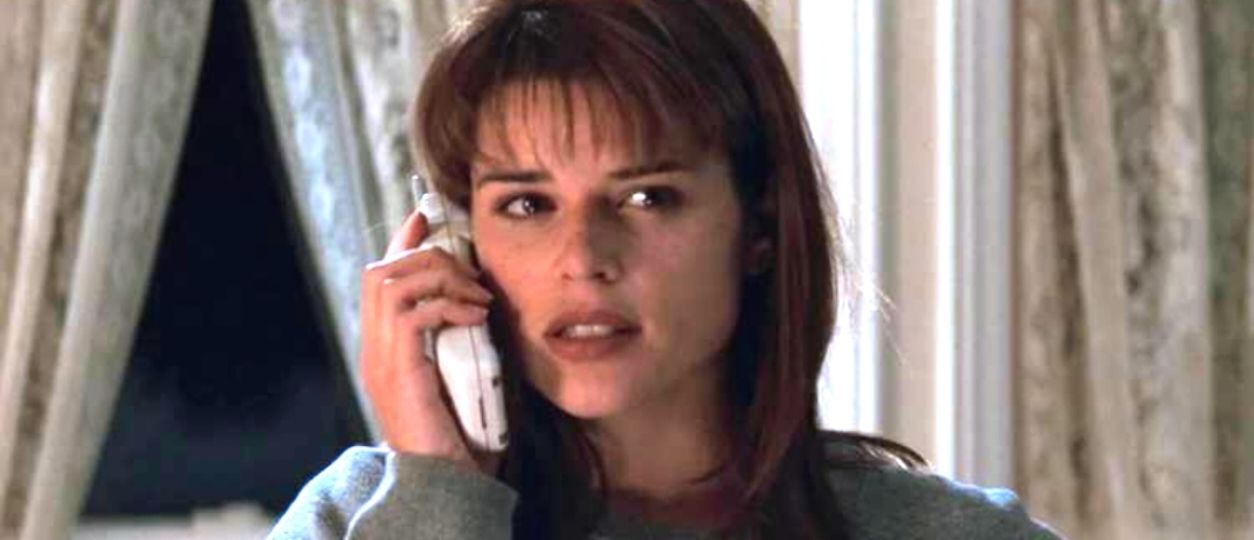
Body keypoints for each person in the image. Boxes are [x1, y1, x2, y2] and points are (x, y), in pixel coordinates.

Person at [269, 0, 1059, 538]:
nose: (584, 260)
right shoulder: (366, 516)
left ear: (758, 227)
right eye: (528, 204)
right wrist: (441, 494)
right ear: (458, 243)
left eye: (647, 197)